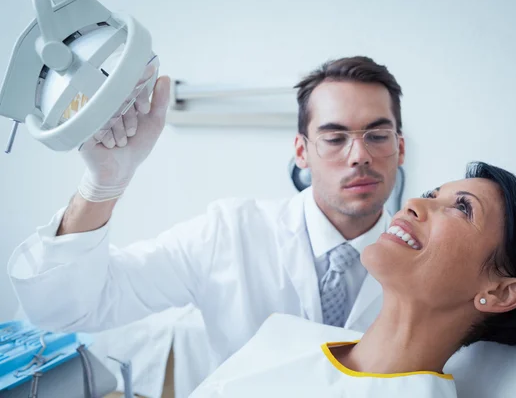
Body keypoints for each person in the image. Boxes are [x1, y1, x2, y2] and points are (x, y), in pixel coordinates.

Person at [7, 56, 407, 387]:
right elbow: (65, 310)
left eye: (377, 135)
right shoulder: (230, 233)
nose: (359, 156)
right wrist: (103, 186)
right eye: (335, 138)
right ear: (301, 151)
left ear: (400, 147)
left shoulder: (428, 259)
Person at [190, 162, 516, 398]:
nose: (414, 203)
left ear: (500, 291)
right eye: (433, 193)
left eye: (462, 209)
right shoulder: (284, 336)